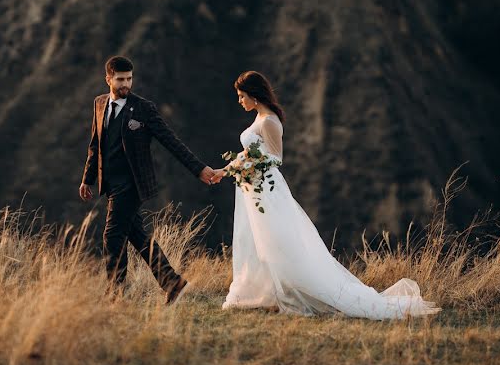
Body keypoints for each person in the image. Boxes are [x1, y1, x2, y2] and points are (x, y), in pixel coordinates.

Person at [211, 71, 440, 318]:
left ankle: (294, 293)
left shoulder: (269, 121)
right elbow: (249, 152)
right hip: (253, 186)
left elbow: (276, 158)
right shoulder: (259, 118)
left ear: (254, 96)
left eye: (242, 96)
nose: (239, 101)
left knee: (274, 239)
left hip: (265, 187)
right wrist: (224, 171)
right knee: (258, 239)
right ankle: (265, 293)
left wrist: (247, 168)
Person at [80, 56, 216, 304]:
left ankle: (115, 295)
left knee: (112, 236)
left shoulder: (143, 108)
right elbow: (95, 144)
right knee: (136, 235)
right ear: (108, 79)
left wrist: (199, 169)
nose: (126, 84)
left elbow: (171, 141)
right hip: (110, 184)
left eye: (129, 79)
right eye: (120, 79)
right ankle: (173, 283)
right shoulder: (99, 104)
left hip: (132, 184)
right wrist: (87, 179)